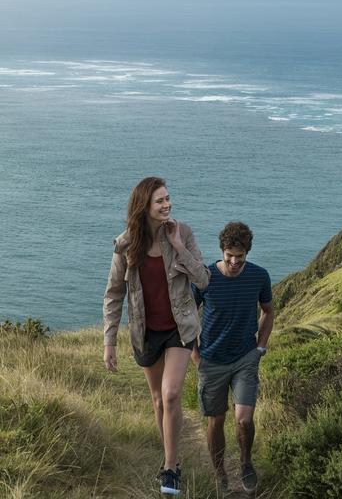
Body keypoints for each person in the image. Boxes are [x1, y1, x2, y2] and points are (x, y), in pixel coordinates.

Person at [103, 176, 210, 496]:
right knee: (157, 400)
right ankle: (170, 458)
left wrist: (178, 246)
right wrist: (109, 340)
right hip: (145, 332)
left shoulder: (184, 233)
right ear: (144, 207)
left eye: (168, 198)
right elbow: (113, 294)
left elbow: (203, 280)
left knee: (172, 394)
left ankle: (170, 467)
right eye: (160, 201)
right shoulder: (125, 245)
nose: (168, 205)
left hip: (180, 328)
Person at [192, 222, 274, 494]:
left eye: (240, 256)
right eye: (230, 255)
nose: (235, 261)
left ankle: (246, 463)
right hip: (211, 360)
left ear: (247, 253)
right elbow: (187, 315)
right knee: (215, 421)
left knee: (244, 420)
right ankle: (219, 473)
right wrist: (194, 353)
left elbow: (268, 312)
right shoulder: (204, 277)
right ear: (222, 251)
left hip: (244, 358)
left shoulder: (259, 276)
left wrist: (260, 347)